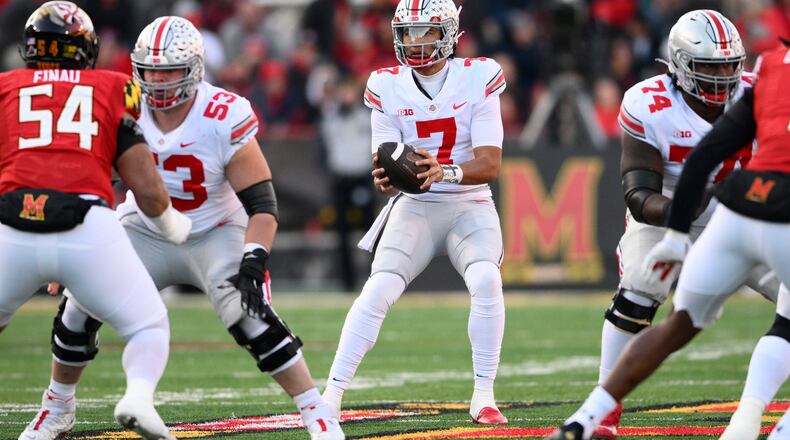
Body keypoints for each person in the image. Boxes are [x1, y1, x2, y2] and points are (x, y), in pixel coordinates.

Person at [19, 16, 344, 440]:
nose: (157, 81)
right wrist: (68, 246)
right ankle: (57, 407)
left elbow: (262, 204)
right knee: (77, 307)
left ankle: (317, 411)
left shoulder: (222, 113)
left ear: (194, 68)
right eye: (149, 70)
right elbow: (91, 178)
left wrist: (254, 258)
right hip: (144, 229)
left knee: (249, 315)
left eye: (169, 70)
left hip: (215, 230)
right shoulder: (122, 103)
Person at [546, 33, 790, 440]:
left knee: (685, 322)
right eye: (710, 66)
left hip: (734, 212)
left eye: (729, 64)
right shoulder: (649, 103)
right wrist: (677, 226)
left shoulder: (766, 72)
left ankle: (584, 420)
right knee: (640, 288)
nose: (722, 75)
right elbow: (640, 193)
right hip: (686, 208)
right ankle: (603, 415)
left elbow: (703, 158)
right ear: (680, 65)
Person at [1, 2, 193, 440]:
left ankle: (54, 412)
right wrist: (174, 228)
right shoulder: (112, 87)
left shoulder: (5, 87)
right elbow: (146, 189)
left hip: (13, 225)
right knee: (148, 325)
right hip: (86, 227)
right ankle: (137, 397)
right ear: (86, 50)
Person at [321, 0, 508, 425]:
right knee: (378, 288)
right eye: (408, 32)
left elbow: (490, 164)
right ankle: (330, 395)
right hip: (417, 205)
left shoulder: (478, 76)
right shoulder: (386, 85)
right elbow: (385, 168)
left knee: (486, 278)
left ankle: (484, 395)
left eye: (425, 31)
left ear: (449, 33)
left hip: (469, 201)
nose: (414, 41)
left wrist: (445, 171)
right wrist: (386, 178)